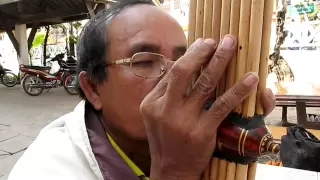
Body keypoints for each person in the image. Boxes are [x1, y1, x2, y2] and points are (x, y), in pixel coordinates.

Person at [8, 0, 275, 179]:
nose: (177, 77)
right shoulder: (44, 171)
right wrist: (173, 172)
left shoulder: (197, 140)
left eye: (187, 61)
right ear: (92, 88)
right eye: (145, 61)